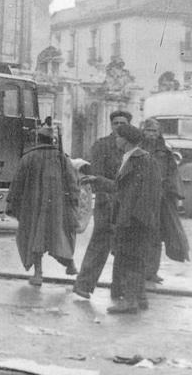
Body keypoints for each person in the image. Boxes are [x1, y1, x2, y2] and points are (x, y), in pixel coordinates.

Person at [86, 124, 162, 314]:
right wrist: (97, 180)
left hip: (134, 220)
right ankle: (138, 298)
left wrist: (134, 219)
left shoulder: (141, 160)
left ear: (126, 140)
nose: (116, 140)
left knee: (131, 259)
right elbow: (121, 188)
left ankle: (130, 302)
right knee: (133, 259)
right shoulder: (132, 158)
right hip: (133, 219)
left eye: (118, 137)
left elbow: (148, 193)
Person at [7, 126, 80, 286]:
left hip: (33, 206)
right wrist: (73, 202)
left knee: (35, 237)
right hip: (57, 208)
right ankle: (71, 265)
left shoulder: (28, 157)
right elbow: (73, 182)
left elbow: (17, 183)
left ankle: (38, 274)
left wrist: (12, 204)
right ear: (52, 140)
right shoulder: (62, 158)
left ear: (37, 139)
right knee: (59, 237)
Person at [72, 110, 131, 299]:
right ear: (111, 125)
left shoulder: (134, 147)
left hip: (128, 203)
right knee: (100, 243)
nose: (119, 126)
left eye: (123, 123)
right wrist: (106, 193)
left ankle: (119, 289)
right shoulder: (102, 145)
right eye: (116, 123)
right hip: (107, 201)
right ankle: (83, 285)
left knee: (125, 246)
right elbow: (96, 174)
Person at [139, 118, 183, 283]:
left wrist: (171, 193)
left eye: (154, 131)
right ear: (143, 131)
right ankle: (140, 270)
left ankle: (152, 271)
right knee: (141, 235)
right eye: (148, 131)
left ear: (159, 133)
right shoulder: (137, 148)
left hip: (160, 199)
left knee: (156, 236)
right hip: (141, 198)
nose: (151, 134)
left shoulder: (165, 151)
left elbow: (172, 173)